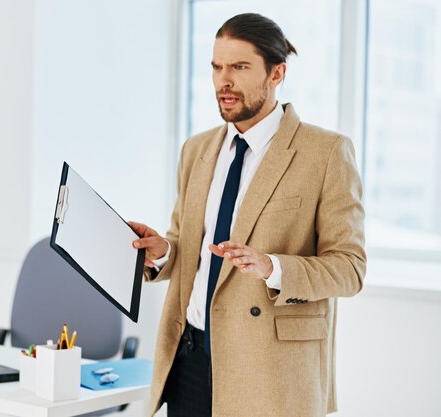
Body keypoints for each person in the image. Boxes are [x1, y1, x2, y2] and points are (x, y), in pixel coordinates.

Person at [129, 13, 366, 417]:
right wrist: (165, 252)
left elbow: (350, 269)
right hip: (188, 358)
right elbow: (190, 245)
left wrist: (272, 266)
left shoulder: (325, 153)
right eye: (217, 67)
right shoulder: (196, 150)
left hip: (268, 370)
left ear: (277, 73)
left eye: (239, 67)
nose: (224, 81)